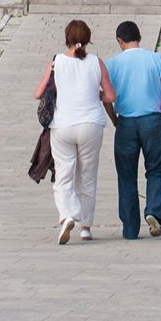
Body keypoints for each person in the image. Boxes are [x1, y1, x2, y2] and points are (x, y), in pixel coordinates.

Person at [35, 20, 115, 243]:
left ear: (66, 37)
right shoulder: (96, 62)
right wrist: (97, 96)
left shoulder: (56, 61)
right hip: (91, 124)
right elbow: (111, 96)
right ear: (88, 38)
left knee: (64, 175)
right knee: (88, 176)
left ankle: (67, 216)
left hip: (62, 125)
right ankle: (86, 227)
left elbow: (38, 92)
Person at [103, 21, 161, 239]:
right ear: (139, 37)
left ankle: (130, 229)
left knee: (126, 175)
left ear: (119, 41)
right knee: (157, 169)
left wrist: (114, 118)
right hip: (152, 121)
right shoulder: (156, 59)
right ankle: (153, 212)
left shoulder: (112, 64)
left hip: (126, 123)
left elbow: (105, 96)